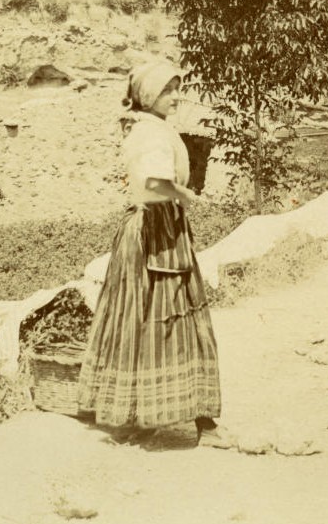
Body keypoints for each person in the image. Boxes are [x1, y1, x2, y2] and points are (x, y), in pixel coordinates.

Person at [76, 61, 232, 448]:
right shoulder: (150, 136)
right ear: (148, 96)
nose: (176, 96)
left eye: (178, 88)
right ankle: (196, 424)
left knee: (146, 323)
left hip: (155, 232)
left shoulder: (150, 129)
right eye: (168, 91)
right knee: (172, 323)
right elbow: (153, 186)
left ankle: (147, 418)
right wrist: (186, 195)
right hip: (155, 236)